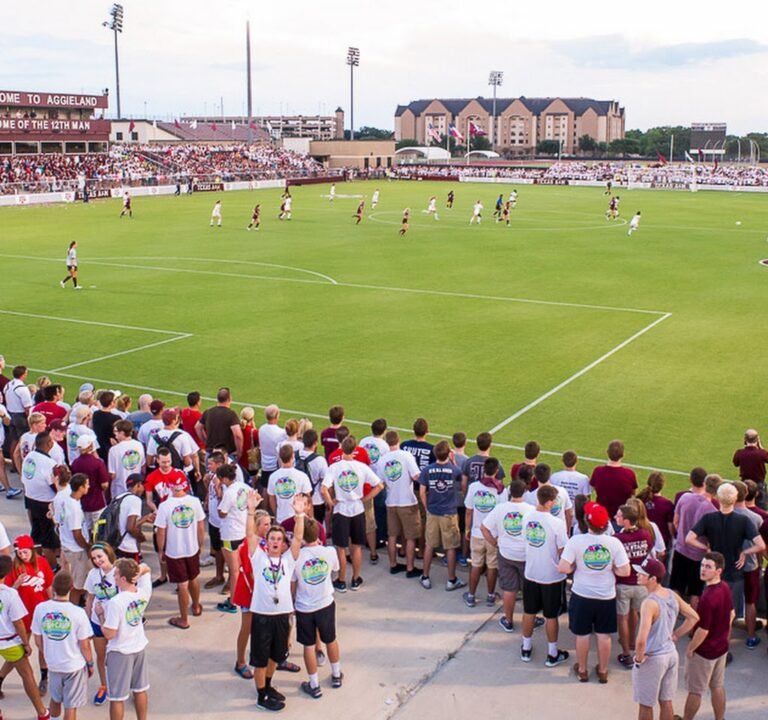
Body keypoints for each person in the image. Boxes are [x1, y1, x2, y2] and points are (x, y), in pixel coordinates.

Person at [245, 491, 306, 711]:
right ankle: (261, 696)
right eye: (272, 538)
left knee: (275, 656)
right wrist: (251, 510)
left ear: (283, 543)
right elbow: (250, 535)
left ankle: (268, 686)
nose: (275, 542)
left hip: (282, 615)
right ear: (266, 541)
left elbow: (298, 538)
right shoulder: (258, 557)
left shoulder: (288, 560)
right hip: (262, 615)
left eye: (279, 539)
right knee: (260, 659)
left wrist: (299, 515)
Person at [559, 502, 630, 683]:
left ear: (586, 522)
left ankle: (583, 670)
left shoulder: (576, 541)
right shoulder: (614, 543)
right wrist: (611, 568)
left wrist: (575, 567)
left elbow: (563, 567)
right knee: (604, 634)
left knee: (582, 634)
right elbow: (625, 571)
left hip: (582, 594)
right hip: (606, 595)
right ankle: (603, 671)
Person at [685, 482, 765, 620]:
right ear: (735, 499)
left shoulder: (709, 518)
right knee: (728, 613)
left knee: (710, 610)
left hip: (714, 570)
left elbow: (689, 538)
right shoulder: (743, 520)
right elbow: (761, 545)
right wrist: (745, 552)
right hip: (734, 572)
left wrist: (706, 548)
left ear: (718, 498)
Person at [632, 557, 699, 720]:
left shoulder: (649, 603)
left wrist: (639, 659)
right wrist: (675, 635)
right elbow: (694, 617)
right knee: (666, 701)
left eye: (642, 573)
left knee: (646, 704)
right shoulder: (671, 594)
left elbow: (641, 640)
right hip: (671, 654)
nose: (637, 575)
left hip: (653, 658)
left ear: (653, 579)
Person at [321, 436, 382, 592]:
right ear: (355, 450)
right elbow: (379, 485)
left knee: (341, 548)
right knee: (356, 547)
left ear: (342, 449)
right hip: (357, 509)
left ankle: (341, 580)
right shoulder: (361, 467)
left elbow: (324, 488)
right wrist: (365, 498)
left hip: (341, 509)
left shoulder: (335, 467)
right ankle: (355, 579)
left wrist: (330, 502)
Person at [31, 571, 94, 720]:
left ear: (53, 588)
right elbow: (84, 645)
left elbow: (38, 640)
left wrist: (48, 653)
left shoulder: (40, 608)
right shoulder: (78, 613)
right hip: (73, 665)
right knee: (70, 705)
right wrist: (90, 663)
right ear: (71, 588)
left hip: (53, 664)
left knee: (55, 697)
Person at [293, 516, 343, 698]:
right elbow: (335, 569)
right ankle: (336, 674)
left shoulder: (296, 557)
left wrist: (292, 602)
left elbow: (293, 583)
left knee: (308, 645)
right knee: (331, 639)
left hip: (304, 606)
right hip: (325, 602)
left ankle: (314, 684)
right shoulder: (329, 552)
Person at [96, 558, 152, 720]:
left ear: (122, 579)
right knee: (140, 690)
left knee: (117, 698)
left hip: (120, 651)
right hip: (139, 647)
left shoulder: (115, 603)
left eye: (116, 574)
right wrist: (136, 572)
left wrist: (100, 616)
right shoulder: (143, 592)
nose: (113, 577)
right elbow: (146, 567)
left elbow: (109, 634)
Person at [520, 484, 569, 668]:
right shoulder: (557, 523)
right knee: (551, 616)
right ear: (549, 502)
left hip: (531, 572)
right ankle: (552, 653)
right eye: (554, 501)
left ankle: (526, 648)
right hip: (551, 576)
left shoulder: (526, 517)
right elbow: (563, 549)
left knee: (529, 611)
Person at [0, 534, 54, 697]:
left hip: (41, 612)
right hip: (23, 614)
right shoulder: (14, 567)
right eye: (19, 553)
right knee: (20, 651)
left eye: (25, 552)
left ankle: (44, 678)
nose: (23, 556)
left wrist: (53, 605)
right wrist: (17, 584)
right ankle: (1, 677)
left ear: (32, 550)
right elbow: (7, 592)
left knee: (43, 647)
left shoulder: (42, 563)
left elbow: (48, 586)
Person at [682, 552, 733, 720]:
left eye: (708, 567)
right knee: (717, 686)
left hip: (704, 652)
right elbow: (731, 614)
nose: (703, 569)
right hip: (721, 649)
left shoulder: (707, 598)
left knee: (695, 691)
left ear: (718, 571)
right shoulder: (725, 587)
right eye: (702, 565)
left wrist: (691, 648)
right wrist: (723, 635)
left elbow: (703, 630)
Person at [480, 479, 535, 632]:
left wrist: (495, 543)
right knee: (528, 589)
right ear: (524, 492)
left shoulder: (500, 508)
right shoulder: (531, 510)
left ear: (510, 492)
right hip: (525, 554)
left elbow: (484, 528)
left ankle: (509, 620)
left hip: (506, 553)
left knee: (509, 589)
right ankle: (531, 619)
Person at [154, 474, 205, 629]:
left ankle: (184, 619)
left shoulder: (164, 506)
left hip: (174, 551)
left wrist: (161, 550)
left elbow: (161, 532)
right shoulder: (195, 502)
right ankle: (196, 606)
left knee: (182, 584)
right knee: (193, 577)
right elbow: (201, 526)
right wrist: (200, 545)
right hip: (192, 548)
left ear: (169, 486)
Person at [418, 440, 466, 592]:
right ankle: (451, 580)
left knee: (429, 545)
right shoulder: (454, 470)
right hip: (449, 513)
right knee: (450, 548)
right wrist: (453, 462)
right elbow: (463, 486)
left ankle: (425, 576)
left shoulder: (427, 470)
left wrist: (427, 508)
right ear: (449, 454)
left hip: (433, 512)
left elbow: (422, 492)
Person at [615, 503, 655, 668]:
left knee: (622, 618)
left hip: (623, 583)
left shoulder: (618, 538)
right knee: (637, 614)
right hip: (640, 583)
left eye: (618, 516)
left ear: (626, 520)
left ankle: (626, 653)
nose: (615, 518)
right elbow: (649, 550)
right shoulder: (645, 534)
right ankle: (633, 641)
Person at [377, 430, 421, 577]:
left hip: (391, 502)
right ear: (398, 440)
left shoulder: (382, 460)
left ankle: (393, 564)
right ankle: (410, 567)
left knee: (392, 535)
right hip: (407, 501)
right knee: (410, 537)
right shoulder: (406, 456)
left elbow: (380, 482)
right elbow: (416, 476)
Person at [464, 457, 505, 608]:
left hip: (477, 532)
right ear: (497, 471)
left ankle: (471, 595)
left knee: (476, 564)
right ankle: (490, 596)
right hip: (493, 535)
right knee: (492, 566)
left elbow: (469, 511)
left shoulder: (474, 487)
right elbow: (502, 515)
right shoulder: (501, 490)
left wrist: (467, 529)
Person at [590, 440, 637, 520]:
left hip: (602, 517)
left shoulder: (598, 471)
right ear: (623, 454)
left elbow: (594, 488)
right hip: (621, 518)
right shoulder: (629, 474)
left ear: (607, 452)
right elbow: (633, 494)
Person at [732, 428, 768, 508]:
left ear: (745, 439)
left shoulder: (740, 453)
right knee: (761, 509)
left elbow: (735, 463)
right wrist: (761, 447)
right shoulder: (762, 453)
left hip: (744, 484)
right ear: (757, 439)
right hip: (759, 484)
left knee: (743, 507)